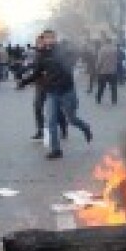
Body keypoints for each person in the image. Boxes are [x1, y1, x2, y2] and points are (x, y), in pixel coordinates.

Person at [20, 29, 90, 159]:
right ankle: (56, 150)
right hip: (52, 92)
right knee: (51, 121)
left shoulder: (63, 50)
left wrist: (75, 54)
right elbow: (37, 73)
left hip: (67, 91)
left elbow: (76, 56)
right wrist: (24, 82)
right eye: (47, 38)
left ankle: (85, 127)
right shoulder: (42, 55)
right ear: (44, 40)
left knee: (71, 119)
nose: (49, 40)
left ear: (55, 38)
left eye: (51, 37)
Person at [95, 36, 119, 105]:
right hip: (113, 71)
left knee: (101, 86)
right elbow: (117, 60)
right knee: (113, 87)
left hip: (103, 71)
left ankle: (98, 99)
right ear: (111, 42)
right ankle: (114, 100)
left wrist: (97, 68)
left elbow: (99, 61)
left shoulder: (102, 50)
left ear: (105, 42)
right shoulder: (115, 49)